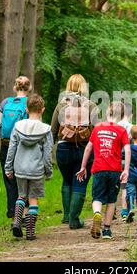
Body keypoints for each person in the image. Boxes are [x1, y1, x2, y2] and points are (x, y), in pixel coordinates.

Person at [51, 74, 99, 229]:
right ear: (83, 87)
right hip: (85, 149)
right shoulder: (91, 106)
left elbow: (53, 131)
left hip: (63, 149)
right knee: (80, 181)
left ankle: (66, 216)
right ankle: (74, 219)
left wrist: (50, 153)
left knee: (67, 180)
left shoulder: (60, 106)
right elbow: (97, 131)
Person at [77, 102, 131, 240]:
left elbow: (88, 148)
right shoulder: (121, 130)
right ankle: (106, 230)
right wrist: (126, 170)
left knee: (97, 198)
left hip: (99, 169)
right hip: (114, 171)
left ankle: (97, 213)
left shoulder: (97, 128)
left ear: (107, 113)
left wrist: (83, 167)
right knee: (112, 200)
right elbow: (128, 149)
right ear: (122, 116)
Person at [4, 94, 53, 240]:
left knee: (21, 196)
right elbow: (48, 153)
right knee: (33, 199)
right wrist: (48, 171)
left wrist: (8, 168)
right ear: (42, 110)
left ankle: (17, 221)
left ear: (26, 109)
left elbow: (11, 148)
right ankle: (30, 232)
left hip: (20, 168)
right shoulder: (46, 129)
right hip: (36, 170)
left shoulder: (18, 126)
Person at [0, 76, 31, 220]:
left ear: (14, 88)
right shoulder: (30, 103)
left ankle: (13, 215)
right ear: (29, 88)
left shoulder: (5, 102)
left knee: (9, 180)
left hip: (6, 145)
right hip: (23, 147)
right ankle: (25, 215)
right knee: (24, 180)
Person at [117, 102, 133, 221]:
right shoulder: (132, 128)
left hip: (114, 160)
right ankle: (124, 211)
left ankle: (110, 212)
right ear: (131, 114)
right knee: (125, 187)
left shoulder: (114, 125)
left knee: (112, 187)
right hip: (126, 161)